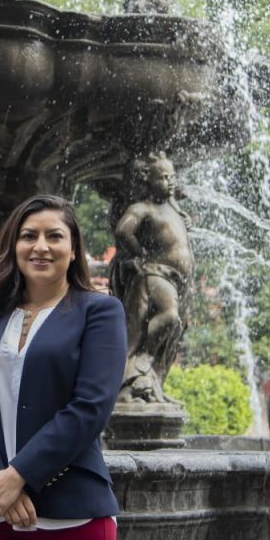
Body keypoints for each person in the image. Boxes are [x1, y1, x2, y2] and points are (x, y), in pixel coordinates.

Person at [0, 194, 127, 540]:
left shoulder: (100, 312)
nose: (41, 247)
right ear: (13, 246)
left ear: (74, 248)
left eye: (55, 236)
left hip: (73, 512)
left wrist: (20, 477)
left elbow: (90, 407)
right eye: (29, 236)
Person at [111, 152, 193, 403]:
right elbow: (123, 230)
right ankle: (141, 362)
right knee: (169, 316)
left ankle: (152, 379)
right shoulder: (142, 208)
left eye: (172, 177)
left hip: (177, 278)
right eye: (163, 177)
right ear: (149, 180)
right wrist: (140, 254)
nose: (170, 182)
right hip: (154, 273)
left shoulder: (171, 207)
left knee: (179, 325)